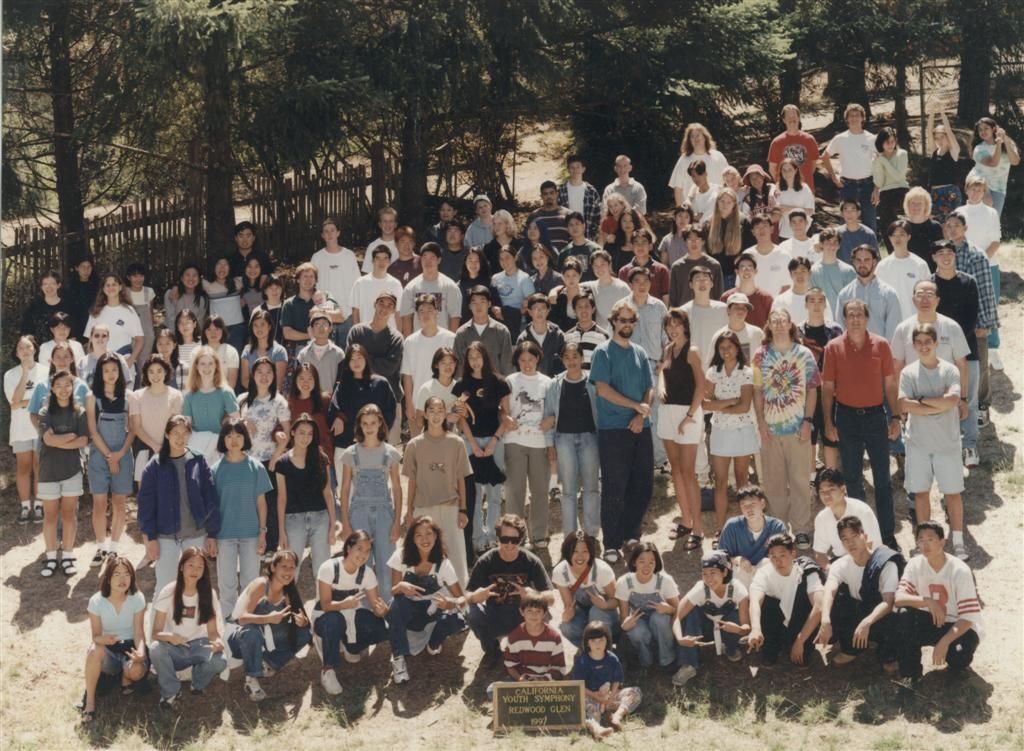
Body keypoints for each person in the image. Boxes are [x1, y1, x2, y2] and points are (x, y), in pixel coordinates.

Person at [821, 299, 899, 548]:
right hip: (846, 418)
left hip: (876, 416)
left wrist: (896, 416)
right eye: (850, 315)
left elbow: (890, 384)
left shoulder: (881, 345)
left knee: (882, 479)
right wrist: (828, 421)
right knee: (852, 478)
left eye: (859, 315)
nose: (855, 319)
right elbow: (827, 387)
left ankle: (886, 535)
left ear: (867, 318)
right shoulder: (833, 347)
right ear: (844, 319)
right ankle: (860, 535)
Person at [591, 300, 655, 563]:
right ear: (613, 322)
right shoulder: (602, 352)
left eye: (631, 320)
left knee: (642, 484)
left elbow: (649, 388)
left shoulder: (640, 352)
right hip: (614, 429)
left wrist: (641, 414)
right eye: (622, 320)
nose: (626, 324)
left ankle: (631, 534)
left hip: (641, 427)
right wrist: (634, 407)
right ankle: (611, 543)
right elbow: (602, 389)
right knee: (615, 487)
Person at [898, 323, 968, 559]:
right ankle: (925, 542)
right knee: (921, 493)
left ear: (936, 343)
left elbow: (952, 400)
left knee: (953, 493)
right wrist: (937, 404)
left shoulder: (950, 370)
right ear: (913, 345)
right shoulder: (908, 373)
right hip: (918, 443)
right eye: (919, 342)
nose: (924, 346)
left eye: (928, 341)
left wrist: (920, 401)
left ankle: (958, 541)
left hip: (947, 443)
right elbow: (903, 404)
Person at [752, 309, 820, 549]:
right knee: (774, 484)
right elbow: (758, 392)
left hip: (798, 429)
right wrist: (761, 423)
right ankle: (779, 529)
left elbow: (813, 389)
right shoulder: (760, 355)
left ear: (791, 324)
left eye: (783, 321)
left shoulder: (804, 354)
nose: (779, 325)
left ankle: (801, 529)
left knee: (800, 481)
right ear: (768, 325)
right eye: (775, 321)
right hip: (770, 430)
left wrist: (808, 421)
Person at [137, 414, 222, 596]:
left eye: (185, 433)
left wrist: (212, 534)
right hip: (165, 536)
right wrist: (150, 539)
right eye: (175, 433)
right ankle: (160, 616)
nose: (180, 438)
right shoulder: (154, 466)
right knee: (165, 587)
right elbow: (146, 507)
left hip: (196, 534)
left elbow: (211, 499)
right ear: (167, 434)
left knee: (195, 585)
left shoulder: (198, 460)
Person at [893, 522, 983, 682]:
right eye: (921, 540)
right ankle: (910, 673)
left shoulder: (959, 570)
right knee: (902, 615)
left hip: (957, 624)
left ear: (942, 542)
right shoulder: (915, 564)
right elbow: (899, 598)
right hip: (930, 619)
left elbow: (968, 618)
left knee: (959, 656)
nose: (925, 545)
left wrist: (944, 642)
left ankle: (955, 669)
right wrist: (927, 601)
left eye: (930, 539)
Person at [464, 514, 554, 665]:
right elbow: (466, 595)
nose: (510, 544)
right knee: (471, 612)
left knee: (542, 611)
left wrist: (533, 595)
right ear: (498, 539)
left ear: (521, 540)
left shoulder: (531, 561)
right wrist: (474, 597)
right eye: (505, 539)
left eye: (515, 540)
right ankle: (492, 649)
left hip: (523, 616)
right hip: (495, 615)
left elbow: (550, 598)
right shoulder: (486, 561)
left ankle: (527, 647)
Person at [816, 515, 904, 670]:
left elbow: (888, 602)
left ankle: (889, 655)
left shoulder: (885, 563)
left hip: (881, 613)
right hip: (859, 609)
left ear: (865, 536)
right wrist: (825, 619)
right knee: (834, 600)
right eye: (845, 539)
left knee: (899, 614)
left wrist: (867, 622)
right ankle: (852, 648)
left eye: (855, 536)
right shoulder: (841, 564)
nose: (850, 543)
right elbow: (829, 590)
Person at [386, 518, 468, 683]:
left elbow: (462, 599)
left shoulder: (443, 563)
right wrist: (400, 585)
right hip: (409, 611)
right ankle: (398, 659)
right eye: (419, 535)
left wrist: (449, 603)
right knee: (396, 604)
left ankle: (433, 642)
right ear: (412, 538)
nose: (424, 539)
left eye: (429, 534)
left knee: (457, 621)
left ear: (436, 536)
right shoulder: (400, 555)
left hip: (433, 610)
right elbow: (393, 591)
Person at [227, 550, 312, 702]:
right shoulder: (261, 584)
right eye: (284, 566)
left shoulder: (288, 590)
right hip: (239, 638)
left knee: (304, 633)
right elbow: (242, 619)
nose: (288, 571)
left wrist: (302, 622)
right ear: (273, 567)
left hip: (265, 636)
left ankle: (269, 663)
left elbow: (296, 619)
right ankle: (251, 678)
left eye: (292, 567)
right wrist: (268, 618)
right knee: (252, 632)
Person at [312, 530, 390, 693]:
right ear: (348, 548)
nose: (363, 555)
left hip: (352, 616)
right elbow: (325, 605)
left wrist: (381, 611)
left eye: (367, 551)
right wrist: (343, 604)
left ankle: (352, 646)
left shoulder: (367, 573)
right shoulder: (329, 568)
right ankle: (328, 670)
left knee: (381, 628)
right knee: (334, 620)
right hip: (326, 617)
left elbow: (375, 605)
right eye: (359, 548)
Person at [403, 396, 472, 581]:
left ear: (445, 413)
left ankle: (460, 595)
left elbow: (461, 478)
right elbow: (412, 481)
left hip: (450, 508)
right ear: (425, 414)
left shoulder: (456, 442)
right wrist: (409, 512)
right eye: (431, 411)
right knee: (425, 559)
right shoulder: (414, 445)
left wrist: (463, 509)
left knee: (456, 558)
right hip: (424, 509)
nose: (436, 415)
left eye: (440, 410)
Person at [149, 548, 227, 708]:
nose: (195, 570)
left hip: (199, 645)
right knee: (156, 648)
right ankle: (171, 692)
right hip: (175, 648)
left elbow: (213, 632)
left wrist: (218, 643)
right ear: (181, 567)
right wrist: (170, 637)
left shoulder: (208, 593)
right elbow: (155, 633)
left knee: (220, 661)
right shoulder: (169, 591)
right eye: (190, 565)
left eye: (200, 567)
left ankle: (197, 684)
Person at [338, 404, 403, 588]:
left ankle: (387, 602)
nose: (369, 427)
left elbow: (397, 488)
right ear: (359, 425)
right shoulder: (351, 454)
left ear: (380, 423)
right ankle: (362, 604)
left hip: (384, 514)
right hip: (359, 513)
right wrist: (345, 523)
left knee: (386, 563)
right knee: (360, 563)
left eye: (373, 422)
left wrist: (397, 522)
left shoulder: (390, 453)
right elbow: (344, 489)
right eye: (365, 423)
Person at [210, 419, 270, 617]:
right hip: (224, 535)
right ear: (223, 439)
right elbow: (212, 507)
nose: (234, 440)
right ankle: (229, 626)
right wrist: (211, 536)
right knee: (227, 586)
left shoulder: (256, 467)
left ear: (245, 438)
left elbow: (262, 503)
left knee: (250, 585)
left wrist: (263, 532)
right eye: (229, 436)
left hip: (251, 535)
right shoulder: (215, 470)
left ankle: (249, 623)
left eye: (238, 435)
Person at [943, 212, 998, 427]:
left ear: (965, 228)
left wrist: (984, 323)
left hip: (975, 321)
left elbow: (986, 290)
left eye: (957, 225)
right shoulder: (942, 253)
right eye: (949, 225)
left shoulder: (976, 254)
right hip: (951, 321)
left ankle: (982, 405)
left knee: (980, 364)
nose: (952, 229)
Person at [702, 331, 758, 540]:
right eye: (722, 347)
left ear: (737, 348)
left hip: (743, 430)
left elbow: (744, 407)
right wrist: (730, 401)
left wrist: (719, 405)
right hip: (720, 432)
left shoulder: (747, 371)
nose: (726, 351)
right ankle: (721, 528)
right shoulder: (712, 372)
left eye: (730, 347)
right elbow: (704, 404)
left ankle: (745, 526)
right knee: (720, 481)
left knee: (742, 479)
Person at [128, 354, 183, 565]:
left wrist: (166, 448)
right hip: (145, 451)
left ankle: (171, 551)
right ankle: (148, 551)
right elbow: (136, 426)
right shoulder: (137, 396)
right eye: (151, 371)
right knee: (146, 502)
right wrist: (155, 446)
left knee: (170, 501)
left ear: (166, 372)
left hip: (171, 453)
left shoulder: (175, 395)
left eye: (159, 370)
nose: (155, 375)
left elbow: (177, 425)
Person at [930, 240, 981, 467]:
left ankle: (970, 445)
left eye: (949, 252)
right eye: (940, 253)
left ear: (955, 255)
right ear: (934, 258)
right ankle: (943, 447)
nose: (945, 257)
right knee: (941, 401)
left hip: (967, 351)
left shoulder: (968, 282)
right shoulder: (929, 285)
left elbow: (971, 318)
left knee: (969, 400)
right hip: (937, 354)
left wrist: (954, 344)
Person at [541, 342, 599, 537]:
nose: (571, 361)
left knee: (591, 487)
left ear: (582, 358)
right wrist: (550, 445)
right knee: (568, 490)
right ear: (562, 360)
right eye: (567, 357)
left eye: (575, 356)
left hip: (589, 439)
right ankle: (570, 536)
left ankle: (591, 533)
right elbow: (548, 415)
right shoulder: (555, 384)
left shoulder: (593, 382)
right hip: (564, 440)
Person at [80, 557, 148, 721]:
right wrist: (104, 639)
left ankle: (125, 677)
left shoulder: (137, 598)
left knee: (136, 672)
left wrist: (141, 653)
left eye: (127, 574)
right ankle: (90, 703)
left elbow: (139, 632)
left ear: (132, 577)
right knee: (93, 651)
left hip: (130, 647)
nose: (122, 579)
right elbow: (95, 636)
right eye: (117, 574)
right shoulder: (96, 601)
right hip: (109, 648)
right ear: (108, 578)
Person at [36, 369, 89, 577]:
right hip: (48, 471)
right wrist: (70, 436)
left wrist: (59, 441)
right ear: (52, 388)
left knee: (69, 514)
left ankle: (67, 556)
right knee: (50, 516)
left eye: (67, 384)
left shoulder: (80, 412)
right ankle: (50, 557)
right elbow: (48, 440)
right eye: (58, 385)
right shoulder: (44, 412)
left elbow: (83, 440)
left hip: (72, 471)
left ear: (73, 387)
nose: (63, 389)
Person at [658, 309, 705, 542]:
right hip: (667, 412)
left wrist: (689, 415)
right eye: (669, 325)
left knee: (688, 472)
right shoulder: (667, 349)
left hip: (688, 414)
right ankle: (685, 521)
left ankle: (698, 529)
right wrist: (660, 388)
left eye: (677, 324)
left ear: (685, 326)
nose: (673, 329)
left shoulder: (692, 351)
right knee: (675, 469)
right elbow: (662, 374)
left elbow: (701, 386)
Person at [501, 341, 554, 548]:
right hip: (515, 440)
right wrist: (505, 418)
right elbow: (502, 410)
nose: (527, 364)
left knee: (540, 490)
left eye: (531, 359)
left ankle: (539, 535)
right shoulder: (510, 381)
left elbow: (555, 410)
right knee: (515, 491)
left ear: (538, 358)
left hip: (540, 442)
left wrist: (552, 420)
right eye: (522, 360)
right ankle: (515, 535)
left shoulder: (548, 382)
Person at [86, 353, 135, 566]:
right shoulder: (92, 397)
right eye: (106, 370)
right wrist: (109, 456)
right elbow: (93, 431)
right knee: (99, 503)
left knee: (119, 502)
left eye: (114, 369)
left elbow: (133, 430)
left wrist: (119, 455)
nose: (111, 374)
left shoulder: (129, 397)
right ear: (100, 373)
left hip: (122, 455)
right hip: (99, 456)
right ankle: (101, 547)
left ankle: (114, 548)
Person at [673, 552, 750, 687]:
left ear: (724, 572)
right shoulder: (700, 588)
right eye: (705, 573)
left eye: (713, 573)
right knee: (691, 613)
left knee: (735, 614)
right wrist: (680, 639)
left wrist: (738, 629)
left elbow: (746, 628)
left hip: (727, 628)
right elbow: (677, 617)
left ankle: (730, 647)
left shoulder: (738, 589)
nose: (708, 579)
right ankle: (689, 664)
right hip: (705, 629)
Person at [746, 533, 824, 666]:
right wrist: (756, 628)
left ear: (793, 554)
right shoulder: (764, 573)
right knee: (766, 602)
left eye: (782, 555)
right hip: (775, 619)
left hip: (799, 620)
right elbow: (755, 601)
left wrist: (800, 641)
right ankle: (771, 645)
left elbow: (819, 606)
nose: (778, 561)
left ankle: (796, 642)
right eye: (773, 556)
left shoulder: (807, 571)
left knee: (802, 658)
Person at [955, 176, 1003, 373]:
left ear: (984, 193)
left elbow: (995, 241)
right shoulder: (958, 212)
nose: (975, 193)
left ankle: (993, 348)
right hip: (963, 266)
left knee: (990, 305)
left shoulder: (991, 213)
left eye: (979, 190)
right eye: (972, 189)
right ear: (966, 190)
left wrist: (980, 261)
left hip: (988, 265)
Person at [346, 292, 405, 444]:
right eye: (381, 304)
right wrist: (375, 361)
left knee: (389, 449)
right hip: (358, 396)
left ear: (393, 311)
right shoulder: (357, 331)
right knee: (360, 447)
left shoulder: (396, 338)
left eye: (389, 306)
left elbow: (389, 368)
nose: (384, 308)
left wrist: (363, 359)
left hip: (389, 399)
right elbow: (350, 362)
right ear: (374, 305)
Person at [571, 620, 642, 739]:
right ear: (587, 643)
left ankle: (617, 716)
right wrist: (595, 696)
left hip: (609, 697)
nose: (598, 644)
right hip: (591, 697)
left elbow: (617, 681)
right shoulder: (583, 661)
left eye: (601, 640)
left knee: (635, 692)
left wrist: (612, 696)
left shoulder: (612, 659)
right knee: (584, 704)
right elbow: (579, 685)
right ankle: (596, 728)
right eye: (593, 641)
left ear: (607, 641)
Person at [797, 294, 844, 469]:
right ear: (805, 304)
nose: (816, 305)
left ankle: (831, 476)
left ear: (825, 304)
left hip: (830, 391)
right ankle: (811, 478)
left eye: (820, 301)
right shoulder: (798, 331)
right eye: (812, 301)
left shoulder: (835, 330)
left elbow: (842, 359)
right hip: (806, 392)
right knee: (809, 437)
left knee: (830, 436)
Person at [616, 542, 680, 669]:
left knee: (660, 619)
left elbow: (678, 610)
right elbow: (624, 616)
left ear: (656, 563)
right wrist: (625, 623)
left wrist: (669, 610)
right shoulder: (624, 582)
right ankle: (647, 662)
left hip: (660, 625)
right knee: (635, 631)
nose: (647, 566)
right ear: (634, 562)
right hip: (640, 620)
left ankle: (667, 660)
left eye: (651, 562)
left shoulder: (665, 581)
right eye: (642, 561)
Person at [401, 295, 456, 438]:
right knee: (420, 447)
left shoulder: (450, 338)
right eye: (421, 311)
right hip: (418, 407)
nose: (426, 314)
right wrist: (409, 404)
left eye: (430, 310)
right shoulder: (410, 341)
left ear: (437, 311)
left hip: (446, 405)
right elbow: (407, 375)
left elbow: (455, 371)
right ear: (417, 315)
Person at [6, 336, 46, 524]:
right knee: (23, 467)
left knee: (39, 466)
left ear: (35, 349)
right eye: (21, 348)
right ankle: (25, 506)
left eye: (28, 347)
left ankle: (38, 505)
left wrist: (24, 403)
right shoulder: (10, 375)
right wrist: (24, 373)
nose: (25, 351)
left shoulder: (45, 371)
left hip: (40, 426)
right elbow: (14, 402)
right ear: (16, 353)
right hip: (20, 428)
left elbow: (47, 400)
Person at [553, 532, 618, 647]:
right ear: (567, 552)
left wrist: (605, 605)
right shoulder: (560, 572)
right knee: (566, 626)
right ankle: (586, 649)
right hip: (581, 612)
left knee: (596, 612)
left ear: (591, 552)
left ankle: (604, 649)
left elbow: (616, 601)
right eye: (575, 551)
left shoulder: (602, 570)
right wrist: (567, 615)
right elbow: (568, 605)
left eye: (585, 551)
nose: (580, 556)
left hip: (605, 614)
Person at [717, 486, 788, 589]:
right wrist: (737, 559)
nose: (749, 509)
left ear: (762, 504)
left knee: (768, 564)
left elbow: (785, 557)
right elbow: (720, 557)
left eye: (753, 504)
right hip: (742, 572)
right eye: (744, 505)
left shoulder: (776, 526)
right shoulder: (732, 526)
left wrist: (764, 564)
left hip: (766, 572)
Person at [811, 467, 883, 565]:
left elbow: (868, 548)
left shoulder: (862, 511)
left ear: (843, 490)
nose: (826, 495)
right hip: (843, 562)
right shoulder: (821, 518)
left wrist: (846, 570)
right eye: (822, 492)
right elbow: (819, 553)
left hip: (871, 562)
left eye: (831, 490)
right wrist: (830, 570)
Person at [822, 103, 877, 230]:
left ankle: (871, 243)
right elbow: (825, 156)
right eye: (851, 116)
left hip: (868, 185)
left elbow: (880, 162)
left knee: (870, 223)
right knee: (846, 224)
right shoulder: (840, 138)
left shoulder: (871, 138)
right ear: (846, 119)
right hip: (847, 186)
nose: (854, 118)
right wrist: (834, 177)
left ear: (863, 118)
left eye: (857, 115)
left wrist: (877, 188)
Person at [835, 244, 903, 341]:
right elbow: (841, 329)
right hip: (852, 349)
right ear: (853, 262)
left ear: (874, 262)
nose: (862, 264)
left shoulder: (889, 294)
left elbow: (893, 331)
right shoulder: (844, 295)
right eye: (858, 260)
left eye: (866, 260)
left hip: (880, 349)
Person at [84, 274, 144, 374]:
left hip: (124, 361)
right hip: (101, 362)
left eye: (114, 284)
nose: (111, 288)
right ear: (103, 289)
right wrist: (93, 362)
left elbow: (140, 340)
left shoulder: (129, 311)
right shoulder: (96, 312)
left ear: (120, 287)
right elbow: (89, 341)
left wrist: (131, 360)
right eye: (107, 285)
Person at [501, 589, 566, 681]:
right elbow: (510, 666)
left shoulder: (554, 637)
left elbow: (559, 668)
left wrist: (542, 680)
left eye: (538, 611)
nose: (534, 615)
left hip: (546, 681)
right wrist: (519, 679)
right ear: (521, 612)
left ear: (545, 613)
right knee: (493, 688)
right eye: (529, 611)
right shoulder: (514, 637)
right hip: (523, 679)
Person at [400, 242, 463, 336]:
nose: (428, 261)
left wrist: (451, 342)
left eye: (432, 257)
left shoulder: (450, 286)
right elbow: (406, 318)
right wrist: (408, 341)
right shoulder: (411, 287)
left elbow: (454, 317)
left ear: (439, 260)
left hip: (442, 341)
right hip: (418, 341)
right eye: (424, 257)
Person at [877, 220, 932, 320]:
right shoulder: (882, 266)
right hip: (891, 320)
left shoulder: (920, 264)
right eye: (894, 235)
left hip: (915, 319)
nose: (897, 238)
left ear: (909, 237)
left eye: (902, 234)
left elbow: (928, 293)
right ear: (890, 238)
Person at [968, 116, 1020, 216]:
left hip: (999, 187)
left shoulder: (1008, 143)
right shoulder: (979, 149)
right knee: (986, 208)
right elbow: (993, 163)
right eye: (980, 130)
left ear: (994, 129)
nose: (983, 131)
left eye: (986, 128)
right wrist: (999, 143)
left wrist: (1006, 140)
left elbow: (1015, 162)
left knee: (994, 218)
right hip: (979, 183)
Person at [682, 266, 729, 373]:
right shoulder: (683, 312)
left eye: (706, 278)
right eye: (697, 279)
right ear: (690, 285)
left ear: (712, 284)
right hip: (692, 369)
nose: (702, 282)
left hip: (719, 369)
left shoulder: (723, 309)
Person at [669, 122, 729, 205]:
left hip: (716, 207)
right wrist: (681, 209)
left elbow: (729, 181)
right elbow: (678, 188)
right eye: (692, 137)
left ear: (704, 137)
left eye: (698, 135)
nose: (696, 139)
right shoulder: (684, 160)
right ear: (689, 141)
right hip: (692, 209)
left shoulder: (718, 156)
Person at [869, 128, 909, 239]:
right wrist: (877, 162)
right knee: (883, 219)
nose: (891, 145)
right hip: (885, 192)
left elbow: (898, 176)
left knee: (890, 213)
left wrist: (883, 161)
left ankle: (902, 238)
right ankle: (891, 246)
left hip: (901, 190)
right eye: (887, 142)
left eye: (893, 141)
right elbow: (879, 182)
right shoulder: (878, 158)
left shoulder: (902, 154)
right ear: (881, 143)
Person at [772, 256, 833, 327]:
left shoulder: (820, 299)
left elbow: (829, 323)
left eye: (803, 271)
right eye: (795, 272)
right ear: (790, 275)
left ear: (809, 273)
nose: (799, 275)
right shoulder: (780, 301)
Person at [351, 246, 402, 329]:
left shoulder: (395, 284)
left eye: (385, 258)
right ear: (372, 261)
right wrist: (356, 334)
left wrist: (399, 334)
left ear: (389, 261)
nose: (381, 262)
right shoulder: (360, 283)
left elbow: (398, 313)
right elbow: (355, 312)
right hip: (366, 332)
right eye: (378, 258)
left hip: (389, 333)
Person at [810, 227, 856, 321]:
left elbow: (853, 300)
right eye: (828, 242)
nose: (831, 246)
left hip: (843, 321)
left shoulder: (849, 271)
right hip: (821, 321)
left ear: (839, 245)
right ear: (821, 244)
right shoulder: (813, 271)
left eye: (835, 242)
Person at [769, 104, 820, 187]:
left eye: (794, 116)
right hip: (785, 190)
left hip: (806, 187)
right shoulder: (776, 142)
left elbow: (813, 164)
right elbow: (772, 168)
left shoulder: (809, 139)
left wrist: (806, 179)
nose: (791, 118)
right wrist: (781, 184)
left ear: (799, 118)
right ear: (784, 120)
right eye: (788, 116)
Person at [491, 244, 535, 341]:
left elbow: (530, 303)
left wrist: (510, 315)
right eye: (501, 259)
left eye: (507, 258)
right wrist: (495, 310)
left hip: (519, 323)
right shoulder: (495, 278)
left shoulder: (524, 278)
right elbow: (492, 301)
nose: (504, 262)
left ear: (515, 258)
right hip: (499, 321)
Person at [204, 257, 247, 352]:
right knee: (218, 356)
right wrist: (175, 287)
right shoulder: (206, 285)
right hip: (217, 328)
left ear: (230, 268)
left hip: (237, 328)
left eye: (225, 265)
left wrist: (243, 298)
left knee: (235, 356)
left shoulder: (238, 282)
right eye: (219, 264)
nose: (222, 268)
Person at [925, 110, 963, 217]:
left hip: (950, 193)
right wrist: (932, 112)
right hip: (935, 193)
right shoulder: (934, 151)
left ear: (947, 137)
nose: (939, 140)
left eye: (942, 137)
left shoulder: (953, 151)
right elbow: (929, 131)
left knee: (951, 221)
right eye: (936, 138)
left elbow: (949, 130)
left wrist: (942, 112)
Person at [719, 252, 773, 328]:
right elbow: (721, 323)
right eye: (742, 267)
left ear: (756, 271)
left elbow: (770, 326)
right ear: (737, 272)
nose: (746, 270)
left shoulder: (766, 298)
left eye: (750, 267)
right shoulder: (726, 297)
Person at [744, 215, 792, 298]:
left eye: (765, 226)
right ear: (753, 232)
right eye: (757, 227)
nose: (761, 230)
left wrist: (777, 303)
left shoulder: (784, 255)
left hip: (778, 304)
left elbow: (787, 286)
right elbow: (742, 284)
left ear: (772, 229)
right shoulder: (747, 255)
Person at [296, 310, 345, 391]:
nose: (321, 328)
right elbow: (301, 379)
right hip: (310, 397)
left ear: (330, 328)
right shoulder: (303, 355)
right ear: (312, 329)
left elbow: (341, 381)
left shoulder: (339, 354)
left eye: (324, 324)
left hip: (332, 397)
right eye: (317, 324)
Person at [618, 228, 670, 304]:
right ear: (632, 246)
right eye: (636, 243)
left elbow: (666, 297)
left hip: (655, 310)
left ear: (650, 246)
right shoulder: (624, 271)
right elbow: (622, 298)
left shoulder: (662, 270)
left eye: (644, 242)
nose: (640, 246)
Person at [705, 190, 744, 290]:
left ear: (734, 204)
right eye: (722, 201)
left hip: (734, 275)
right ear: (717, 202)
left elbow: (748, 250)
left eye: (729, 202)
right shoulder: (708, 224)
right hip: (713, 275)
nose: (725, 205)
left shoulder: (743, 222)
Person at [240, 309, 288, 389]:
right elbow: (245, 381)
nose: (259, 328)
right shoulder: (247, 350)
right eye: (255, 325)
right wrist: (259, 393)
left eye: (262, 324)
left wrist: (264, 393)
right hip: (253, 394)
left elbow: (278, 384)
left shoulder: (280, 351)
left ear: (269, 327)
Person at [21, 270, 70, 346]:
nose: (49, 287)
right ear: (41, 287)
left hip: (62, 347)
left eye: (52, 283)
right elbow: (26, 327)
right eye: (45, 284)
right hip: (38, 347)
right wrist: (28, 337)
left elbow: (74, 330)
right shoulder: (34, 305)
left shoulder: (68, 306)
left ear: (59, 285)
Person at [558, 155, 602, 239]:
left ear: (583, 169)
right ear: (568, 170)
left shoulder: (591, 191)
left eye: (578, 167)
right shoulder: (562, 191)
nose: (575, 170)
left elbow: (597, 217)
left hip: (587, 236)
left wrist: (593, 234)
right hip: (567, 237)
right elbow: (558, 215)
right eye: (572, 167)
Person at [78, 324, 132, 389]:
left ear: (108, 338)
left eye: (104, 336)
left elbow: (126, 383)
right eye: (97, 336)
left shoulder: (118, 359)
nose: (100, 338)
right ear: (91, 338)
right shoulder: (82, 362)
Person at [903, 188, 944, 272]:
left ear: (926, 206)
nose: (916, 206)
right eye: (913, 203)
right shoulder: (902, 228)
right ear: (907, 205)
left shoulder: (935, 227)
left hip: (931, 274)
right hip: (907, 273)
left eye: (920, 203)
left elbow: (941, 254)